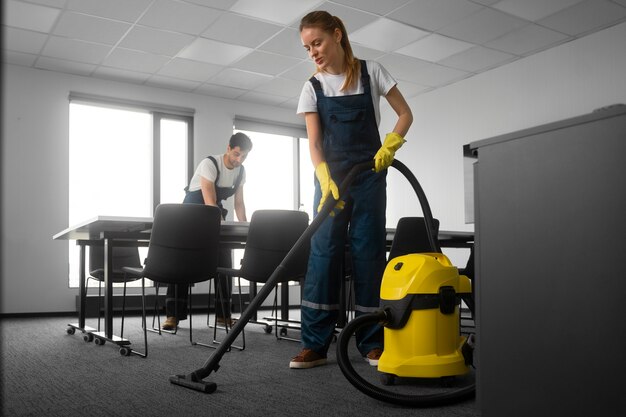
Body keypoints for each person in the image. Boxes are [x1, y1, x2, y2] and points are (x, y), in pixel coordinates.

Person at [290, 11, 413, 369]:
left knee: (369, 252)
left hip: (369, 175)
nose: (312, 52)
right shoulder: (311, 87)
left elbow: (405, 113)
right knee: (324, 253)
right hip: (331, 180)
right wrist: (324, 176)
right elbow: (314, 143)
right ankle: (315, 343)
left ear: (337, 35)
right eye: (307, 47)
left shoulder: (372, 71)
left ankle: (372, 341)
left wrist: (390, 144)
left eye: (317, 42)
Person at [162, 132, 253, 331]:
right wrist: (222, 225)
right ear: (228, 148)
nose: (239, 160)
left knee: (224, 261)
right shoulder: (210, 164)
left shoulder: (241, 172)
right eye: (237, 154)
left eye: (244, 156)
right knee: (182, 264)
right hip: (191, 215)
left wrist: (246, 229)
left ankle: (223, 315)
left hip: (213, 216)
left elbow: (239, 203)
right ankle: (172, 315)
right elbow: (211, 203)